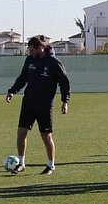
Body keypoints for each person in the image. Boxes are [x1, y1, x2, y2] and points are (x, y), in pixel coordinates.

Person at [4, 35, 71, 174]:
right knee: (21, 133)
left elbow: (64, 82)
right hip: (28, 103)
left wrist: (65, 101)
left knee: (46, 136)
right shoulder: (30, 60)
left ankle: (51, 165)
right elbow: (22, 78)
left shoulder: (54, 63)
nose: (30, 53)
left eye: (31, 50)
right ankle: (21, 163)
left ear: (40, 48)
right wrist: (12, 91)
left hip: (44, 106)